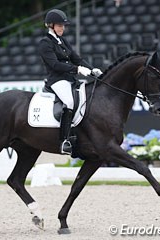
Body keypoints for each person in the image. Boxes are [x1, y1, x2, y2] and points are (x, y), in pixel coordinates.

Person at [38, 9, 102, 155]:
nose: (63, 28)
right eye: (60, 25)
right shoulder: (45, 43)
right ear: (51, 25)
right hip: (57, 80)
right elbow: (55, 65)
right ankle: (64, 141)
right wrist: (77, 69)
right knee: (69, 102)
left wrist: (92, 70)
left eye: (63, 25)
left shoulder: (63, 41)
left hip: (70, 79)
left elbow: (76, 58)